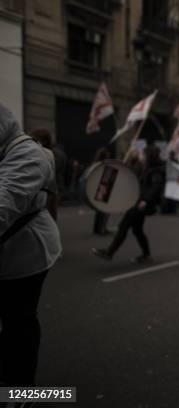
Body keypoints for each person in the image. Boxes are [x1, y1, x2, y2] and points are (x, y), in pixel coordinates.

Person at [0, 103, 62, 387]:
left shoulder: (28, 155)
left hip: (28, 254)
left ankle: (22, 392)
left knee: (19, 320)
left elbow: (5, 203)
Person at [91, 146, 165, 263]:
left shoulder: (156, 171)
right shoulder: (150, 168)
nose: (143, 157)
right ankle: (146, 255)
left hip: (141, 204)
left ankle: (109, 252)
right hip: (139, 202)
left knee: (123, 226)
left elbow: (155, 187)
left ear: (150, 157)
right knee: (137, 230)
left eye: (145, 155)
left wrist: (145, 200)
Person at [91, 147, 112, 235]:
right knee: (104, 210)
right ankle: (102, 229)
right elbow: (106, 177)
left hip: (97, 188)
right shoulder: (103, 165)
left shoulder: (95, 164)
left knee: (99, 210)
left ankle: (97, 228)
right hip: (103, 187)